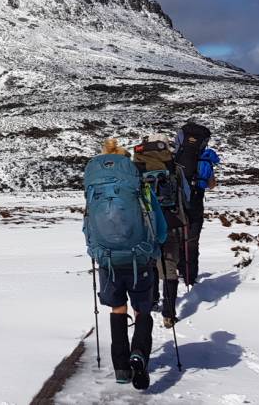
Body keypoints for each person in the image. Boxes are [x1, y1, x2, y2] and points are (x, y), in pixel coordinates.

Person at [85, 139, 168, 390]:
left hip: (107, 259)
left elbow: (87, 226)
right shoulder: (140, 189)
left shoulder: (94, 189)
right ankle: (139, 354)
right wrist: (155, 247)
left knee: (117, 309)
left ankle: (121, 368)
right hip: (139, 258)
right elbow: (159, 227)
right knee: (142, 309)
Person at [132, 134, 187, 329]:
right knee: (169, 264)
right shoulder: (173, 165)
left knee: (149, 262)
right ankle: (169, 313)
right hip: (169, 218)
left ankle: (151, 300)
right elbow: (184, 194)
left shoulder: (136, 165)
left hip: (144, 221)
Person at [173, 122, 217, 286]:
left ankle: (178, 269)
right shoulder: (204, 158)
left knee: (177, 237)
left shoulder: (176, 157)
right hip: (196, 203)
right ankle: (190, 277)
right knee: (192, 240)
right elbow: (211, 184)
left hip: (176, 203)